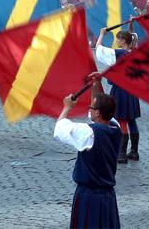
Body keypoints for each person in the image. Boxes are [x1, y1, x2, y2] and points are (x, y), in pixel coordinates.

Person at [54, 72, 122, 228]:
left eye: (91, 107)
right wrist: (97, 84)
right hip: (107, 195)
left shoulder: (88, 133)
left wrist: (66, 107)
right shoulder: (116, 129)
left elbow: (59, 129)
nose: (89, 110)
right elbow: (106, 106)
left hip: (89, 195)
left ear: (97, 112)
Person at [95, 28, 141, 164]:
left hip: (121, 90)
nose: (116, 41)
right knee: (131, 120)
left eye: (118, 39)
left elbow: (98, 50)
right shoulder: (133, 52)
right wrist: (132, 25)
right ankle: (134, 152)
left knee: (121, 120)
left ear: (123, 40)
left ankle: (121, 154)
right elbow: (134, 38)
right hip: (132, 91)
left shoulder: (119, 53)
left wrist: (102, 34)